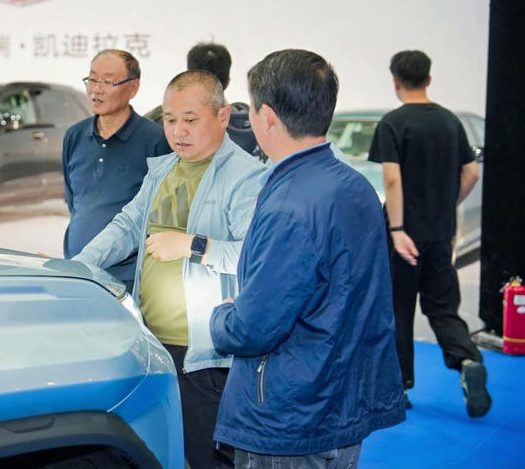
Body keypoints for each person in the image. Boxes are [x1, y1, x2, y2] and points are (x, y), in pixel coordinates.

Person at [210, 49, 406, 467]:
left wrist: (221, 317)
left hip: (290, 415)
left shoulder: (289, 204)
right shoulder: (354, 186)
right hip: (342, 399)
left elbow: (254, 328)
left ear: (267, 116)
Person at [74, 70, 264, 468]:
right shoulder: (163, 169)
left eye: (190, 119)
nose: (178, 131)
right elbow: (127, 226)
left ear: (222, 116)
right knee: (159, 452)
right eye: (170, 119)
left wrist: (193, 245)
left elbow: (255, 256)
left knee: (206, 455)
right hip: (152, 342)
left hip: (205, 353)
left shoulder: (245, 176)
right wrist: (78, 266)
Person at [367, 49, 490, 417]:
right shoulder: (450, 121)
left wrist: (397, 228)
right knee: (443, 307)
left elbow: (392, 180)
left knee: (398, 310)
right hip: (440, 232)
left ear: (395, 82)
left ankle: (399, 385)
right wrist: (446, 205)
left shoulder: (393, 123)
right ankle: (467, 360)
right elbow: (472, 174)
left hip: (403, 235)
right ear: (429, 79)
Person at [62, 49, 170, 291]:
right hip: (77, 268)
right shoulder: (74, 136)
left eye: (108, 81)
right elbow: (74, 200)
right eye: (92, 79)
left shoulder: (155, 140)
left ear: (133, 88)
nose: (96, 89)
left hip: (127, 277)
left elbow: (160, 215)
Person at [145, 42, 265, 160]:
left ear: (187, 78)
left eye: (190, 120)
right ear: (228, 81)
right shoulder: (257, 123)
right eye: (171, 120)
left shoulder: (155, 123)